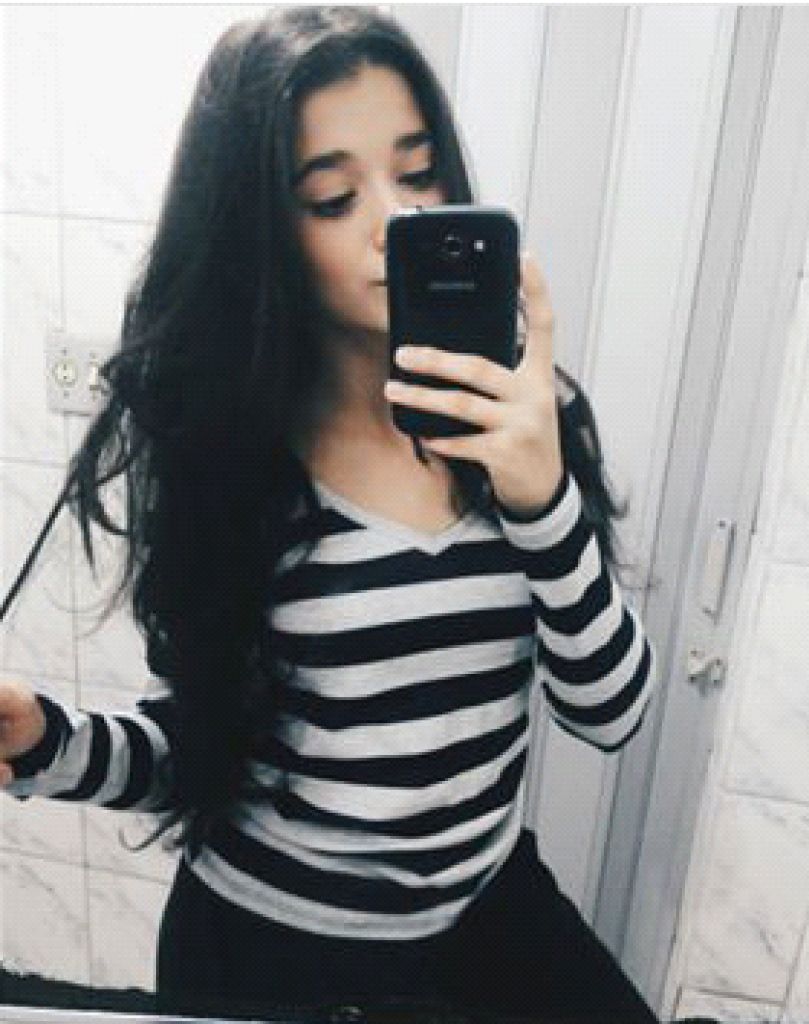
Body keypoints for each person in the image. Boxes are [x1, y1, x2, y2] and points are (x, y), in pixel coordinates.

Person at [0, 7, 660, 1022]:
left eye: (418, 173)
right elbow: (201, 748)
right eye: (333, 196)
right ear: (262, 229)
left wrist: (542, 498)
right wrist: (46, 741)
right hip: (271, 946)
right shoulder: (232, 458)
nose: (393, 218)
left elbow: (610, 710)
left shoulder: (527, 418)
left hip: (487, 917)